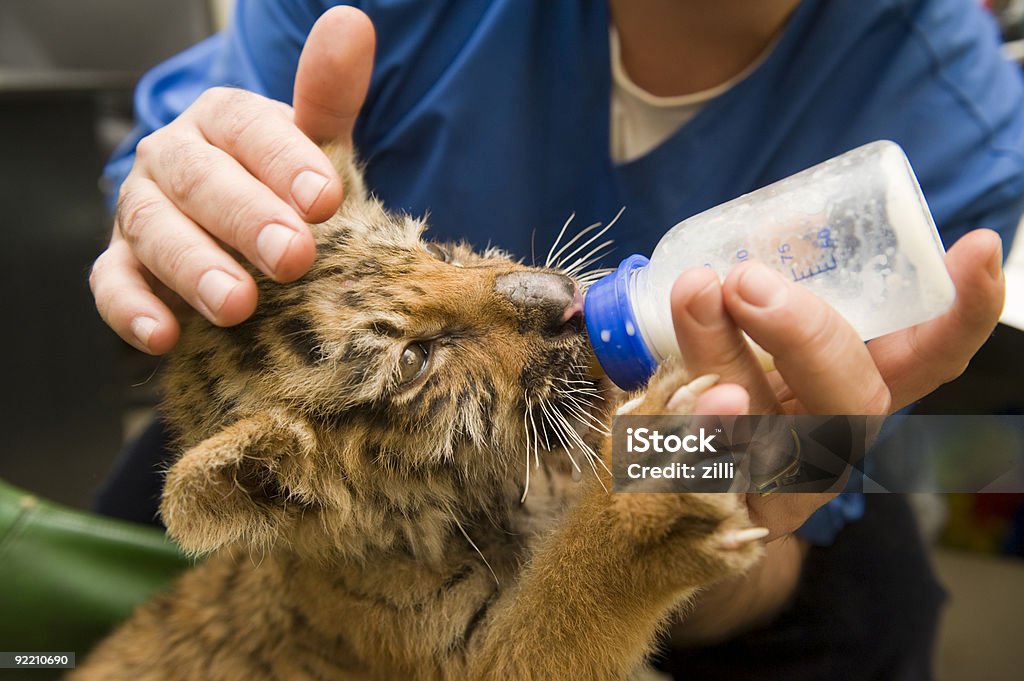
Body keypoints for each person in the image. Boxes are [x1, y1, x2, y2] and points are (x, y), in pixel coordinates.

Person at [90, 0, 1022, 678]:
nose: (529, 289)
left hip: (761, 477)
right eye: (417, 351)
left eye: (436, 246)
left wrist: (721, 479)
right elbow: (180, 206)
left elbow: (802, 475)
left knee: (880, 607)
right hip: (353, 492)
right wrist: (166, 222)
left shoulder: (963, 131)